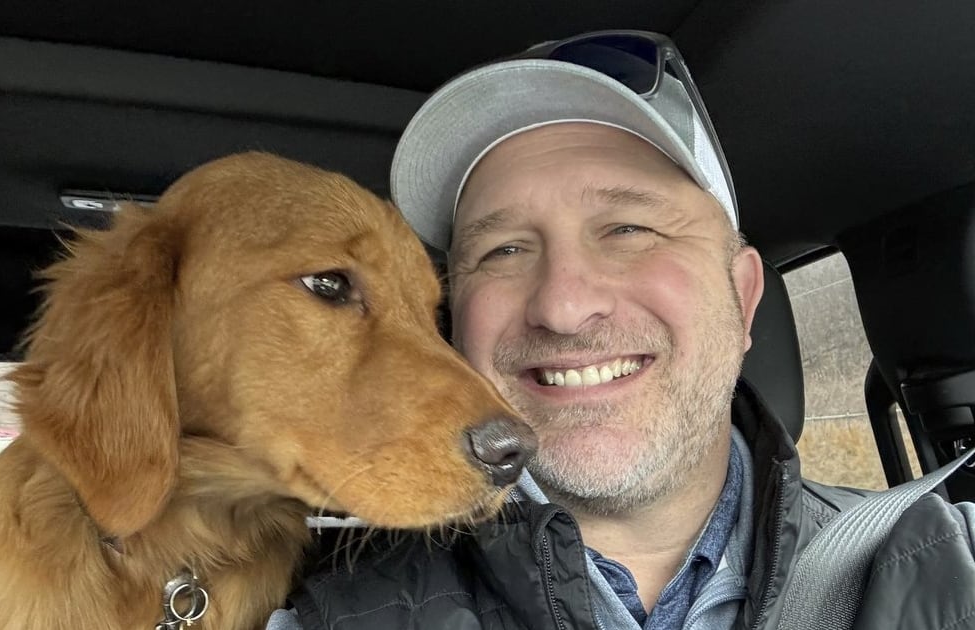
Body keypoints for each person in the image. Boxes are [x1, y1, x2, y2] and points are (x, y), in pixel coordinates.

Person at [268, 31, 975, 630]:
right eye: (502, 250)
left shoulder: (947, 565)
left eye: (628, 228)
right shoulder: (320, 614)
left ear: (743, 295)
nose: (563, 306)